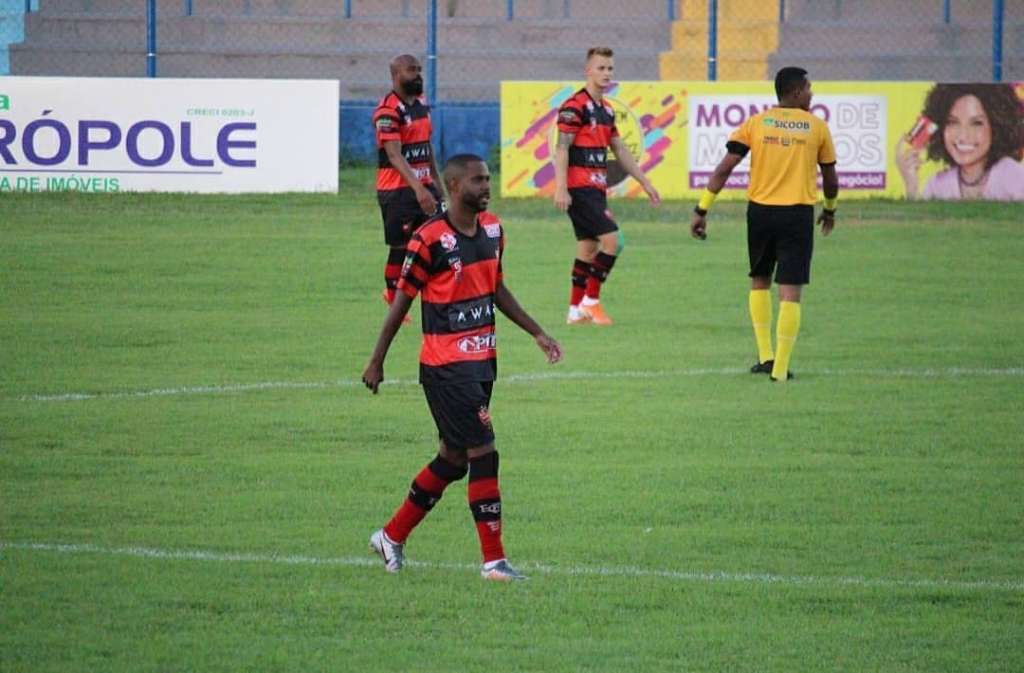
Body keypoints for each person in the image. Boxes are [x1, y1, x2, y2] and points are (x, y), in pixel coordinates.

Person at [362, 154, 563, 582]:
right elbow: (402, 302)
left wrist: (537, 332)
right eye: (478, 180)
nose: (487, 186)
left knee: (453, 460)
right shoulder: (429, 239)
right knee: (484, 451)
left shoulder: (493, 229)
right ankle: (494, 562)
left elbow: (496, 288)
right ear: (454, 187)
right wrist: (377, 359)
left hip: (482, 362)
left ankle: (391, 536)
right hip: (445, 366)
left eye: (488, 179)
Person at [690, 67, 839, 383]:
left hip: (760, 213)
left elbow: (724, 168)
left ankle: (765, 357)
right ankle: (781, 370)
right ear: (796, 93)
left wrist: (702, 209)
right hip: (797, 214)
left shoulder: (757, 124)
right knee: (790, 292)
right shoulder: (817, 128)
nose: (812, 93)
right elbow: (829, 177)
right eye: (809, 88)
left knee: (759, 280)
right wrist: (830, 209)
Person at [554, 46, 660, 326]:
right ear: (587, 71)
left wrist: (645, 181)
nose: (606, 73)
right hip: (579, 189)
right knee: (615, 240)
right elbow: (561, 148)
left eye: (610, 68)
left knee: (588, 247)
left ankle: (575, 310)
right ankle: (591, 301)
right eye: (600, 68)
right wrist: (561, 187)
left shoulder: (607, 109)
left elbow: (620, 149)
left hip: (596, 191)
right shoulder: (573, 106)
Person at [373, 54, 446, 321]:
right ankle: (393, 295)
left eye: (418, 70)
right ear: (395, 75)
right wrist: (418, 189)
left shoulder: (422, 106)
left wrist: (437, 185)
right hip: (398, 191)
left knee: (439, 240)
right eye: (410, 70)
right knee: (402, 247)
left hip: (425, 186)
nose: (417, 74)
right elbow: (394, 155)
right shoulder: (387, 111)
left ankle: (436, 293)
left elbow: (426, 148)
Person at [895, 83, 1024, 201]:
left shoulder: (1014, 177)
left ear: (996, 127)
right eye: (953, 122)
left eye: (976, 123)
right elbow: (923, 225)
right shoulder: (937, 184)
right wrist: (911, 184)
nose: (963, 136)